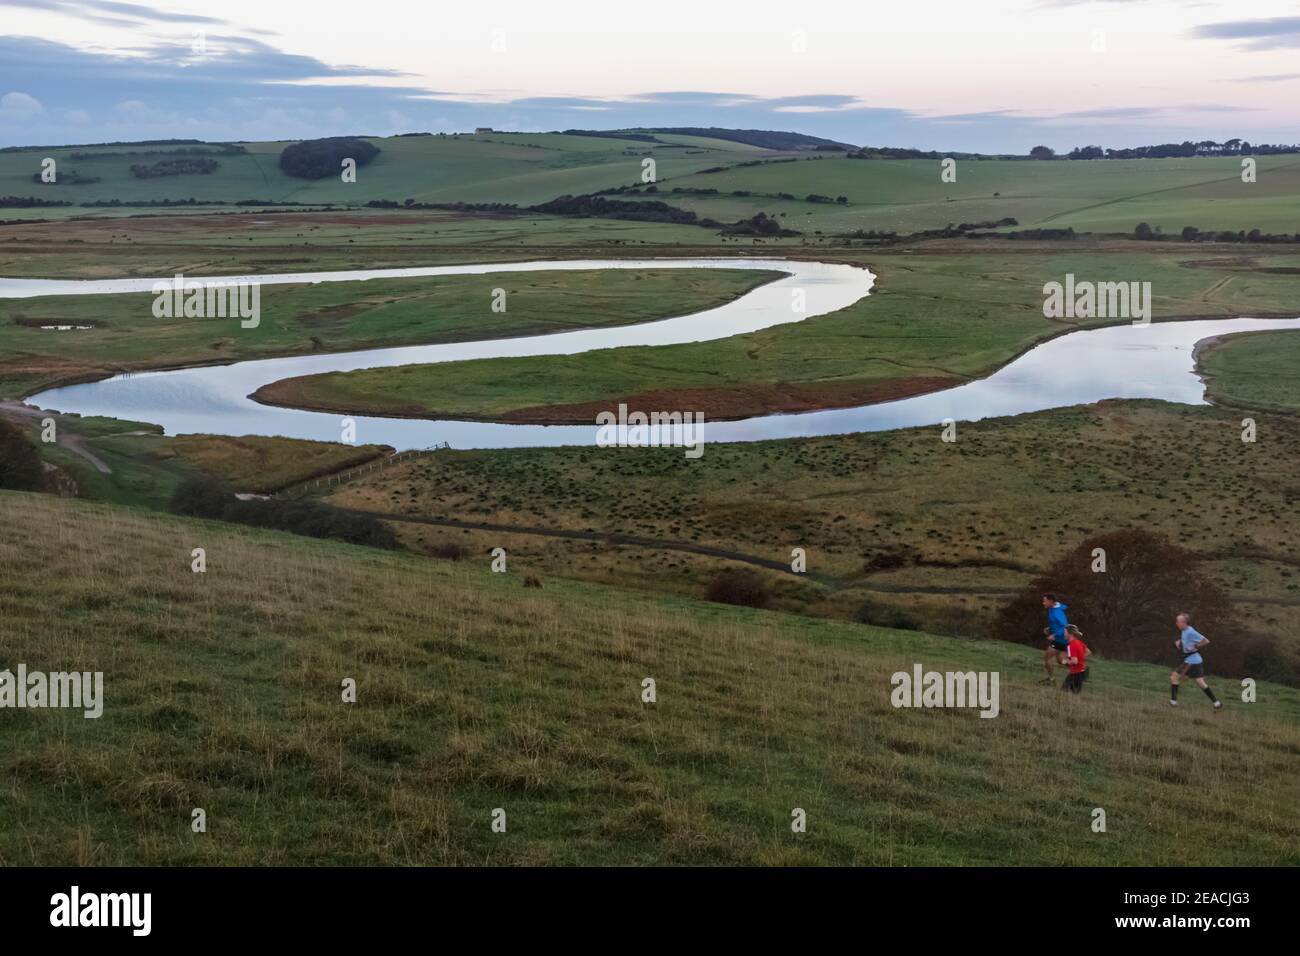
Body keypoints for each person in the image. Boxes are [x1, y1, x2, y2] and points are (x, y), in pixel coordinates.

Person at [1169, 612, 1222, 710]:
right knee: (1200, 682)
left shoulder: (1190, 632)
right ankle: (1217, 703)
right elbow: (1186, 644)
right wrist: (1179, 643)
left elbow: (1206, 641)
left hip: (1191, 661)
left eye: (1178, 621)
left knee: (1174, 677)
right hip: (1196, 660)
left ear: (1184, 622)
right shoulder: (1184, 631)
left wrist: (1197, 646)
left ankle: (1173, 702)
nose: (1176, 623)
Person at [1039, 593, 1070, 684]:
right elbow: (1056, 623)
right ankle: (1080, 669)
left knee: (1047, 658)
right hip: (1061, 638)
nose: (1043, 603)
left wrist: (1054, 635)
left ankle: (1051, 680)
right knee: (1061, 660)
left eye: (1045, 601)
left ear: (1051, 601)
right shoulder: (1053, 608)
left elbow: (1065, 627)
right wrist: (1049, 628)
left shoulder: (1057, 612)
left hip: (1060, 639)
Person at [1061, 624, 1090, 694]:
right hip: (1081, 672)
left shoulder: (1071, 645)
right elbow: (1088, 652)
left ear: (1070, 634)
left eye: (1065, 632)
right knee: (1075, 694)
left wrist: (1065, 661)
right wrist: (1080, 658)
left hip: (1075, 673)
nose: (1063, 634)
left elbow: (1074, 661)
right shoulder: (1079, 642)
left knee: (1063, 692)